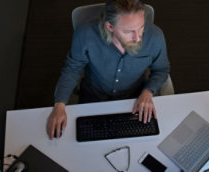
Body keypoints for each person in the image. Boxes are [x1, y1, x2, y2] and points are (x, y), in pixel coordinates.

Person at [46, 0, 170, 139]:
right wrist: (59, 105)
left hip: (134, 99)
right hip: (93, 96)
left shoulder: (155, 36)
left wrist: (148, 92)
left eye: (141, 27)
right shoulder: (85, 35)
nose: (138, 37)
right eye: (129, 31)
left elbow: (161, 70)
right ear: (110, 26)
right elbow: (72, 69)